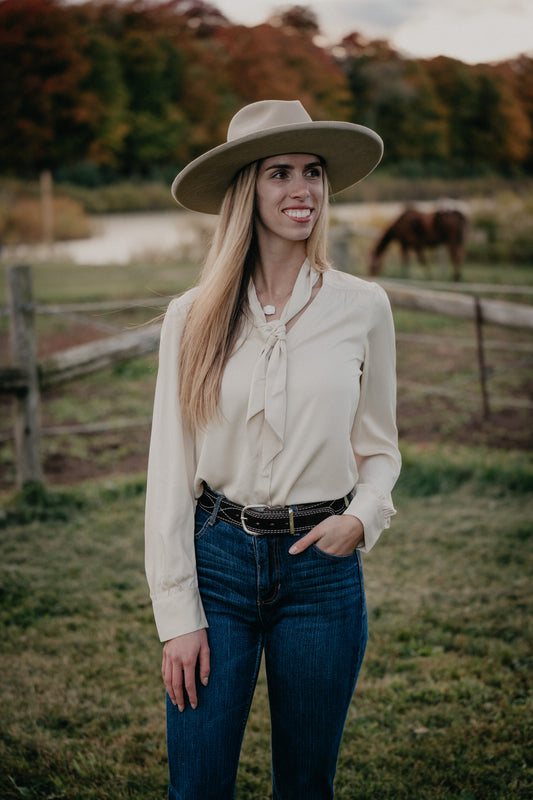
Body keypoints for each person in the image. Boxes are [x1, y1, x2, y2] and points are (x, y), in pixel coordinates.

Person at [145, 99, 401, 800]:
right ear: (244, 191)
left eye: (313, 173)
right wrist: (177, 618)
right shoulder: (190, 317)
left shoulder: (363, 306)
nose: (302, 190)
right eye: (279, 173)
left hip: (320, 571)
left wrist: (363, 516)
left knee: (305, 787)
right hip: (217, 565)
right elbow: (168, 475)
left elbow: (379, 447)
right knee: (196, 787)